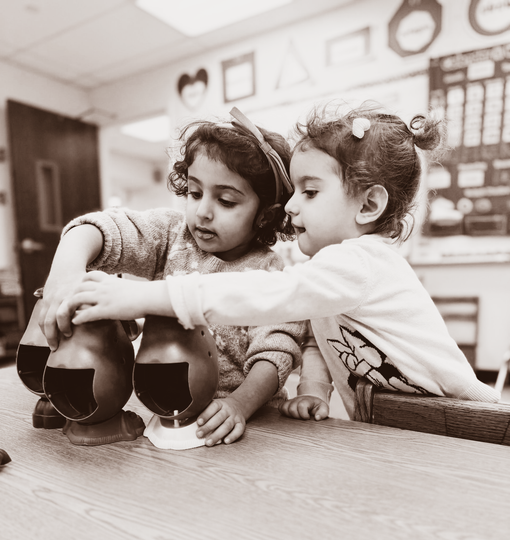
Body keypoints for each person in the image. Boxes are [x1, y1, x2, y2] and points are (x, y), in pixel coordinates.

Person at [64, 102, 500, 424]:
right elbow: (319, 337)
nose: (291, 207)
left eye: (309, 192)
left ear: (368, 204)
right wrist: (313, 389)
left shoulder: (362, 261)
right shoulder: (331, 273)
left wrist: (145, 295)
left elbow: (275, 294)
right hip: (400, 422)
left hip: (465, 421)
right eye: (293, 192)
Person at [38, 108, 306, 446]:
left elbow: (276, 352)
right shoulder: (172, 235)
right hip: (168, 415)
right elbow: (103, 229)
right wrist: (65, 272)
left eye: (225, 201)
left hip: (244, 423)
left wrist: (239, 404)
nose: (203, 211)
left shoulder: (268, 272)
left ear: (265, 215)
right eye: (195, 193)